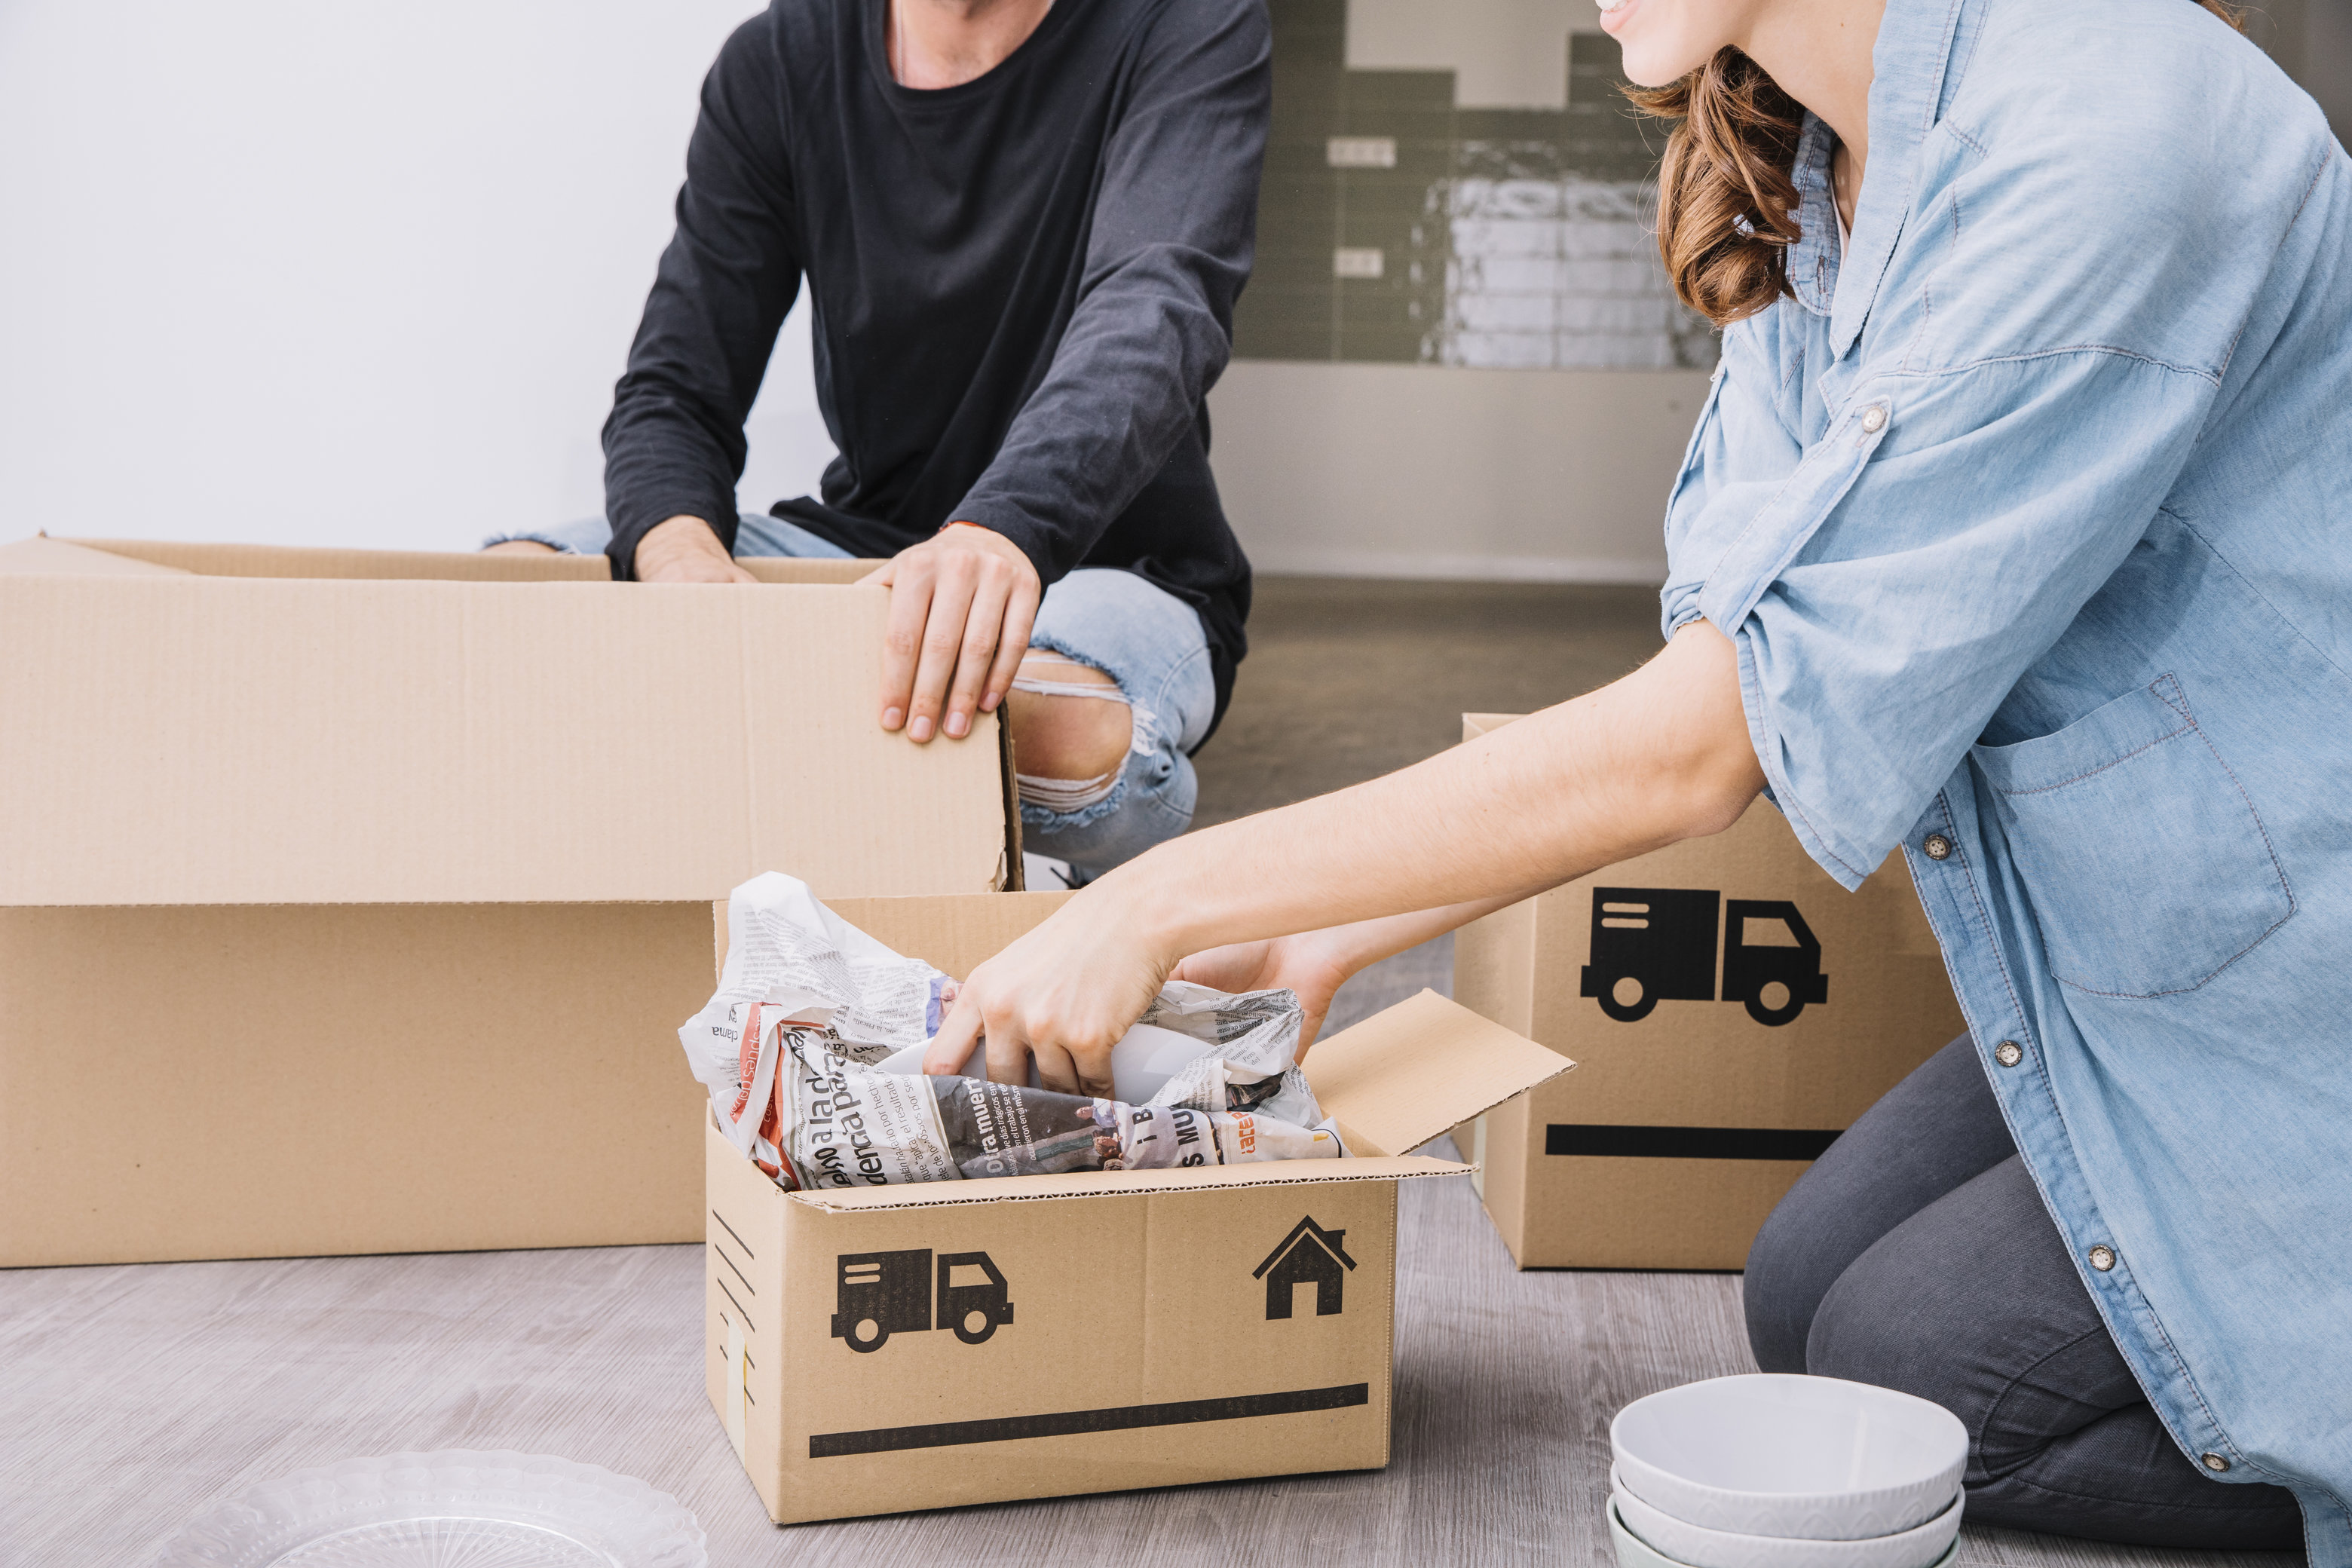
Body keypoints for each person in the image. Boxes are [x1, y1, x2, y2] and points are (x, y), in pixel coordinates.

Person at [919, 0, 2352, 1552]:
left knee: (1907, 1368)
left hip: (2300, 998)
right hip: (2135, 955)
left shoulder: (2102, 141)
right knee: (1810, 1291)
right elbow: (1720, 678)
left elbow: (1705, 742)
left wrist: (1163, 895)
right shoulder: (1825, 160)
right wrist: (1332, 928)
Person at [489, 0, 1269, 879]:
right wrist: (681, 568)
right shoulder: (779, 62)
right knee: (510, 600)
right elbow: (675, 384)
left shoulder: (1184, 24)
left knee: (1061, 738)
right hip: (862, 545)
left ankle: (775, 786)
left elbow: (1154, 311)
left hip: (1105, 565)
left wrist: (1001, 530)